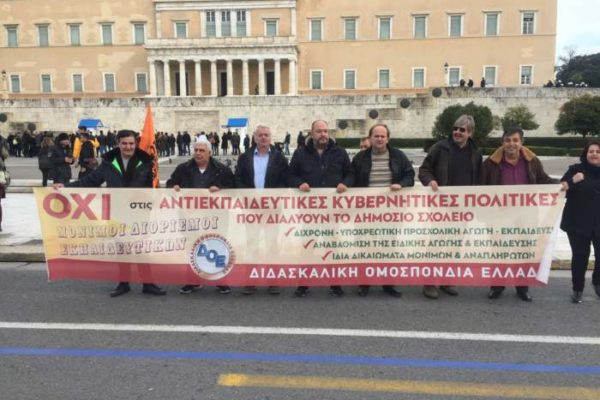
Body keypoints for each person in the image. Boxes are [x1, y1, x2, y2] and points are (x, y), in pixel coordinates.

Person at [54, 130, 166, 297]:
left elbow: (151, 187)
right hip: (117, 212)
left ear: (135, 144)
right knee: (121, 249)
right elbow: (90, 181)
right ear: (118, 144)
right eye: (124, 143)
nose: (128, 147)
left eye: (131, 143)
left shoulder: (146, 161)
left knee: (141, 249)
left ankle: (148, 283)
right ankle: (123, 283)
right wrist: (66, 187)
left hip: (138, 212)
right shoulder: (108, 163)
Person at [483, 127, 557, 302]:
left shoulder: (532, 161)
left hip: (526, 215)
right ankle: (497, 286)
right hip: (500, 216)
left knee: (523, 251)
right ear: (502, 142)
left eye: (515, 140)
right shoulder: (490, 164)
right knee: (499, 252)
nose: (511, 144)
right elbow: (481, 187)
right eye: (508, 140)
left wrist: (560, 184)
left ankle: (522, 287)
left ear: (521, 142)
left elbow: (543, 180)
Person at [418, 114, 483, 299]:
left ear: (470, 133)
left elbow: (479, 178)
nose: (457, 132)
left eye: (462, 130)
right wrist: (430, 180)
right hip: (441, 207)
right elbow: (424, 170)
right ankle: (430, 283)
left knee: (454, 245)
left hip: (463, 208)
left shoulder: (476, 153)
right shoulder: (440, 148)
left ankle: (447, 279)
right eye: (455, 128)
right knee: (437, 244)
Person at [288, 120, 354, 297]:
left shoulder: (339, 152)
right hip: (310, 211)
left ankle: (335, 283)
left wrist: (345, 183)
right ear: (311, 134)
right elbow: (290, 174)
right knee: (308, 246)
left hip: (333, 211)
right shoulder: (300, 153)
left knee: (332, 246)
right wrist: (299, 183)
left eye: (325, 131)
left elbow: (350, 173)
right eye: (319, 131)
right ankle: (303, 283)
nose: (323, 134)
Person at [352, 124, 414, 297]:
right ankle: (364, 283)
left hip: (391, 212)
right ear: (370, 138)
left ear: (388, 138)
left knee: (388, 247)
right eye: (376, 136)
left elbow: (410, 175)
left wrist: (401, 184)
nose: (379, 139)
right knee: (365, 247)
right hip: (365, 212)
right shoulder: (360, 158)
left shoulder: (398, 156)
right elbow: (351, 176)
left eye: (382, 136)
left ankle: (388, 283)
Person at [167, 137, 235, 295]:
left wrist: (221, 189)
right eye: (196, 150)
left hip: (216, 217)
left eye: (202, 150)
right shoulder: (183, 168)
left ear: (209, 153)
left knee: (217, 246)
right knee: (192, 247)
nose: (198, 153)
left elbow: (233, 188)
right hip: (190, 216)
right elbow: (171, 182)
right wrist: (173, 186)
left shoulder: (222, 169)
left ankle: (220, 280)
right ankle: (192, 281)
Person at [235, 124, 289, 295]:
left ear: (270, 137)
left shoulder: (279, 158)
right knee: (252, 244)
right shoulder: (245, 157)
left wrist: (271, 198)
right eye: (260, 135)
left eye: (266, 135)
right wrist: (249, 196)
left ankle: (273, 281)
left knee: (272, 244)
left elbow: (285, 181)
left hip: (272, 209)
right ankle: (250, 281)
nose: (263, 137)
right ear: (255, 138)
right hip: (251, 209)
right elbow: (238, 179)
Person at [560, 141, 600, 303]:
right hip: (577, 222)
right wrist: (573, 181)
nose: (594, 154)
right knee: (580, 257)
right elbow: (560, 187)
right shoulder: (575, 170)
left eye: (598, 151)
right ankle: (577, 289)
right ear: (586, 154)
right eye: (591, 151)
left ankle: (597, 282)